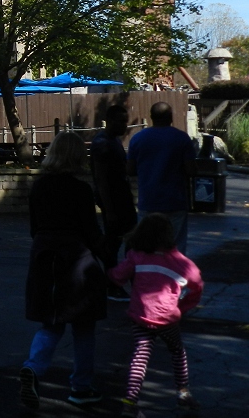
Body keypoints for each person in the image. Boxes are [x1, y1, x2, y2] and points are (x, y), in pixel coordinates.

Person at [20, 131, 106, 411]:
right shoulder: (81, 190)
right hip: (76, 258)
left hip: (44, 255)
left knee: (51, 321)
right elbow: (91, 232)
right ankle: (81, 387)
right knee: (83, 326)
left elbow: (35, 227)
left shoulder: (40, 187)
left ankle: (33, 368)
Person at [109, 213, 203, 417]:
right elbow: (197, 285)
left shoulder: (136, 255)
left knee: (140, 355)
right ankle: (183, 392)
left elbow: (117, 277)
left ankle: (130, 400)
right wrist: (183, 307)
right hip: (167, 318)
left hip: (140, 315)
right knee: (177, 351)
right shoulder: (181, 263)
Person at [127, 102, 197, 253]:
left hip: (148, 201)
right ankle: (174, 275)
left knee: (146, 246)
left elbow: (130, 170)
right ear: (171, 117)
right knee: (175, 246)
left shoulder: (137, 139)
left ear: (151, 117)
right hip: (175, 201)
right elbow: (191, 170)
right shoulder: (182, 139)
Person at [90, 105, 137, 301]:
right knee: (114, 243)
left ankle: (119, 280)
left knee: (125, 240)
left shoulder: (113, 141)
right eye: (120, 121)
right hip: (114, 200)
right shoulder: (103, 144)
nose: (124, 125)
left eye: (125, 121)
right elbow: (101, 179)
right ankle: (112, 283)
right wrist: (108, 209)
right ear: (109, 120)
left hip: (121, 198)